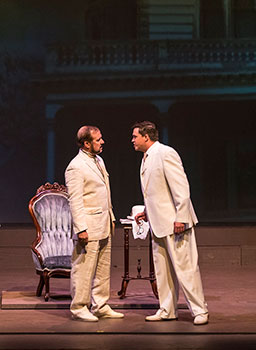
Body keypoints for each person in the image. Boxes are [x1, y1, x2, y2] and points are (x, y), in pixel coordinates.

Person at [131, 121, 208, 325]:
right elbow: (156, 191)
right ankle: (167, 309)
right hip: (158, 222)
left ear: (146, 137)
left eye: (135, 136)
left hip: (175, 222)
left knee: (185, 267)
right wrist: (147, 211)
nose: (132, 140)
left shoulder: (166, 153)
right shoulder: (146, 158)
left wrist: (181, 217)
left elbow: (180, 187)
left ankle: (200, 310)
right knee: (162, 270)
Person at [65, 125, 124, 322]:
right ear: (86, 143)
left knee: (103, 268)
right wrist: (81, 228)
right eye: (98, 140)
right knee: (83, 268)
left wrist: (111, 217)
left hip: (104, 222)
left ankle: (101, 305)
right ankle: (79, 306)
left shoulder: (99, 160)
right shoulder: (76, 166)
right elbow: (75, 200)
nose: (102, 142)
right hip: (88, 226)